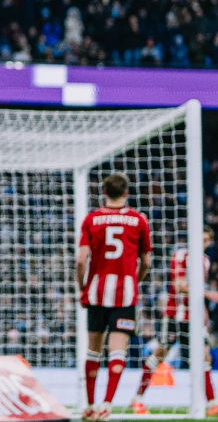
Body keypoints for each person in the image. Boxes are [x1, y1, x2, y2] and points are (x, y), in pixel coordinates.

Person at [130, 227, 218, 417]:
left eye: (206, 240)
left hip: (193, 317)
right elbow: (179, 286)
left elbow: (197, 288)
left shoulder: (205, 261)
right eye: (200, 239)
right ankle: (137, 399)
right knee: (160, 355)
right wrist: (208, 295)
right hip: (174, 316)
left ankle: (212, 404)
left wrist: (203, 309)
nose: (202, 243)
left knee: (205, 357)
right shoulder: (181, 255)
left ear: (209, 243)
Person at [76, 173, 152, 421]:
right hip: (125, 295)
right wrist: (135, 280)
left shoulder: (92, 219)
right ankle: (107, 405)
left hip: (97, 293)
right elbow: (147, 261)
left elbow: (80, 260)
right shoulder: (139, 219)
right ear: (126, 193)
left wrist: (82, 286)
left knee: (93, 351)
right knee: (118, 352)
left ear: (104, 192)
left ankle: (89, 405)